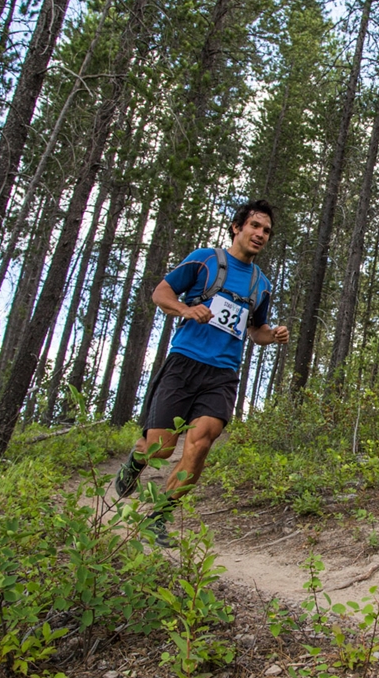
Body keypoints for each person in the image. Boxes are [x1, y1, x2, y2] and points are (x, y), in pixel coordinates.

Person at [112, 199, 288, 546]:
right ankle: (136, 460)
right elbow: (160, 293)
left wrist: (273, 335)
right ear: (237, 227)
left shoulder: (261, 284)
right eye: (254, 226)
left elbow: (256, 330)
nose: (260, 234)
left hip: (222, 373)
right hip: (184, 362)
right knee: (161, 448)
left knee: (201, 442)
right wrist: (186, 309)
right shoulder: (204, 260)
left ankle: (157, 519)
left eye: (266, 231)